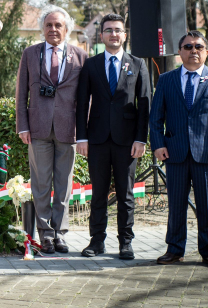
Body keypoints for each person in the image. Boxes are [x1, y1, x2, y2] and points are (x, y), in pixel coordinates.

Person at [150, 31, 208, 269]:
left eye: (198, 46)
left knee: (206, 205)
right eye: (187, 46)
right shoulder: (166, 80)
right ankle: (175, 250)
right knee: (176, 205)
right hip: (174, 153)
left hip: (207, 154)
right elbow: (155, 117)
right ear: (180, 52)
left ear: (206, 52)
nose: (193, 51)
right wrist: (157, 144)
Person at [76, 13, 151, 260]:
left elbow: (145, 104)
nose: (113, 34)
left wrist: (141, 139)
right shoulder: (91, 64)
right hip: (96, 140)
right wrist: (82, 137)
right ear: (102, 35)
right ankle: (96, 242)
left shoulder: (138, 64)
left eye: (118, 30)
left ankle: (125, 243)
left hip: (127, 142)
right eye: (109, 30)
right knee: (97, 193)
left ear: (124, 35)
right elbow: (81, 102)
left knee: (125, 194)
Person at [15, 6, 88, 253]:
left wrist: (83, 132)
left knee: (64, 186)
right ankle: (45, 233)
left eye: (58, 25)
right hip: (38, 129)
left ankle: (60, 234)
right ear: (42, 29)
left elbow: (85, 98)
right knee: (41, 183)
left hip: (68, 130)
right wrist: (22, 126)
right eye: (49, 25)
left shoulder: (80, 55)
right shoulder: (30, 54)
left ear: (66, 29)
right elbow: (21, 93)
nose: (53, 29)